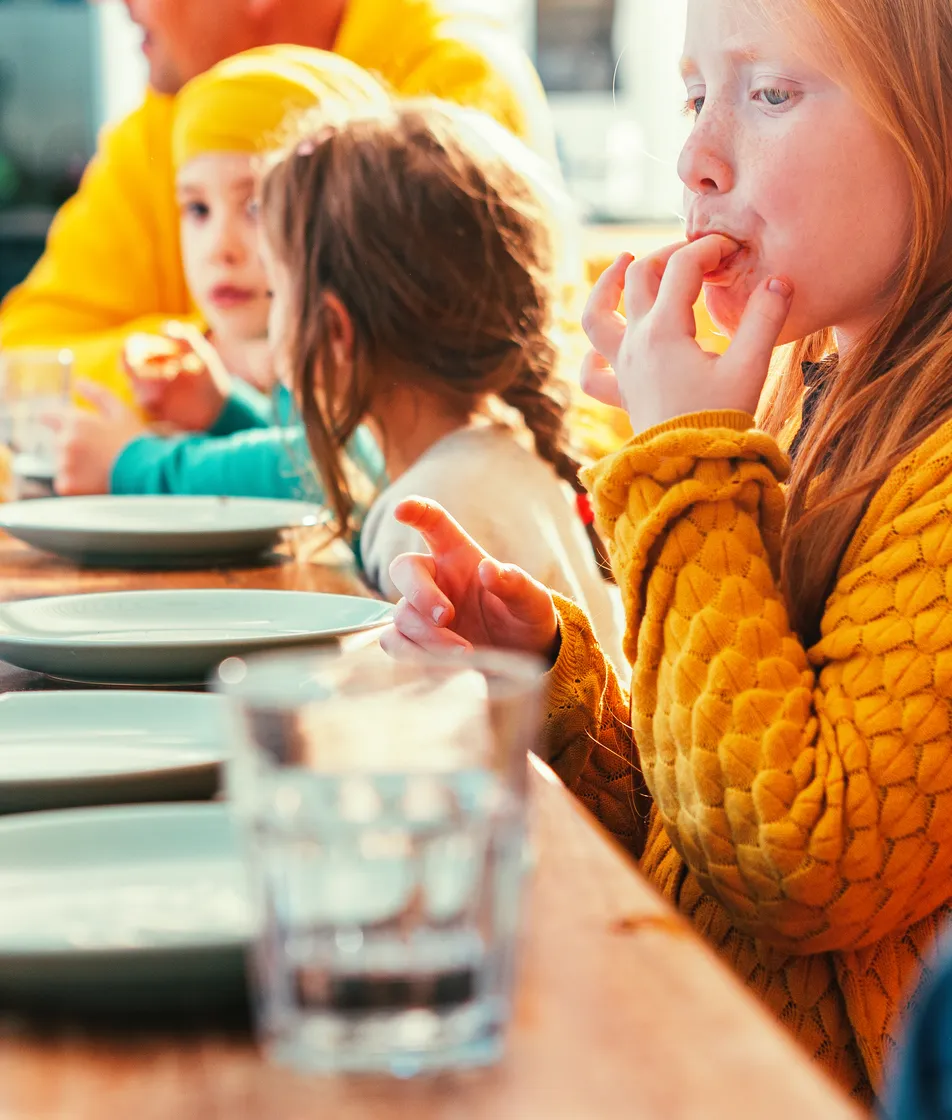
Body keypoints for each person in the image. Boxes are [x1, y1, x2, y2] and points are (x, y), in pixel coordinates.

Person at [376, 0, 952, 1106]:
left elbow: (794, 860)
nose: (696, 159)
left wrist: (682, 463)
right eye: (694, 97)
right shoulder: (808, 398)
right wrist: (550, 678)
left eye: (769, 93)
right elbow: (703, 811)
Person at [0, 0, 554, 405]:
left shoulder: (449, 88)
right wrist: (218, 356)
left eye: (258, 206)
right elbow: (22, 366)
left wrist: (220, 367)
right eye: (197, 210)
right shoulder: (170, 114)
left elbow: (442, 371)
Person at [258, 99, 623, 664]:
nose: (269, 311)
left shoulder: (427, 522)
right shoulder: (504, 449)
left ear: (335, 330)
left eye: (273, 291)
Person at [53, 46, 387, 501]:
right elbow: (301, 450)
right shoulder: (292, 362)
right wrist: (224, 411)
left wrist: (131, 464)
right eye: (197, 209)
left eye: (256, 206)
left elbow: (334, 469)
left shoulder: (356, 352)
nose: (219, 249)